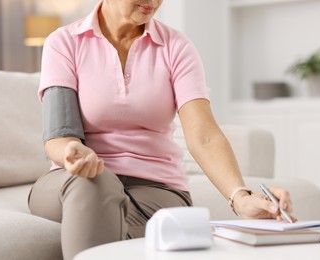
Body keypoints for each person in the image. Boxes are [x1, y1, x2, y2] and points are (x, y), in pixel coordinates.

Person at [28, 0, 296, 259]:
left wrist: (241, 198)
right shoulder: (65, 42)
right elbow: (58, 136)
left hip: (157, 189)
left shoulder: (175, 47)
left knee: (111, 218)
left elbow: (204, 136)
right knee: (97, 183)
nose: (154, 1)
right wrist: (72, 154)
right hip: (73, 181)